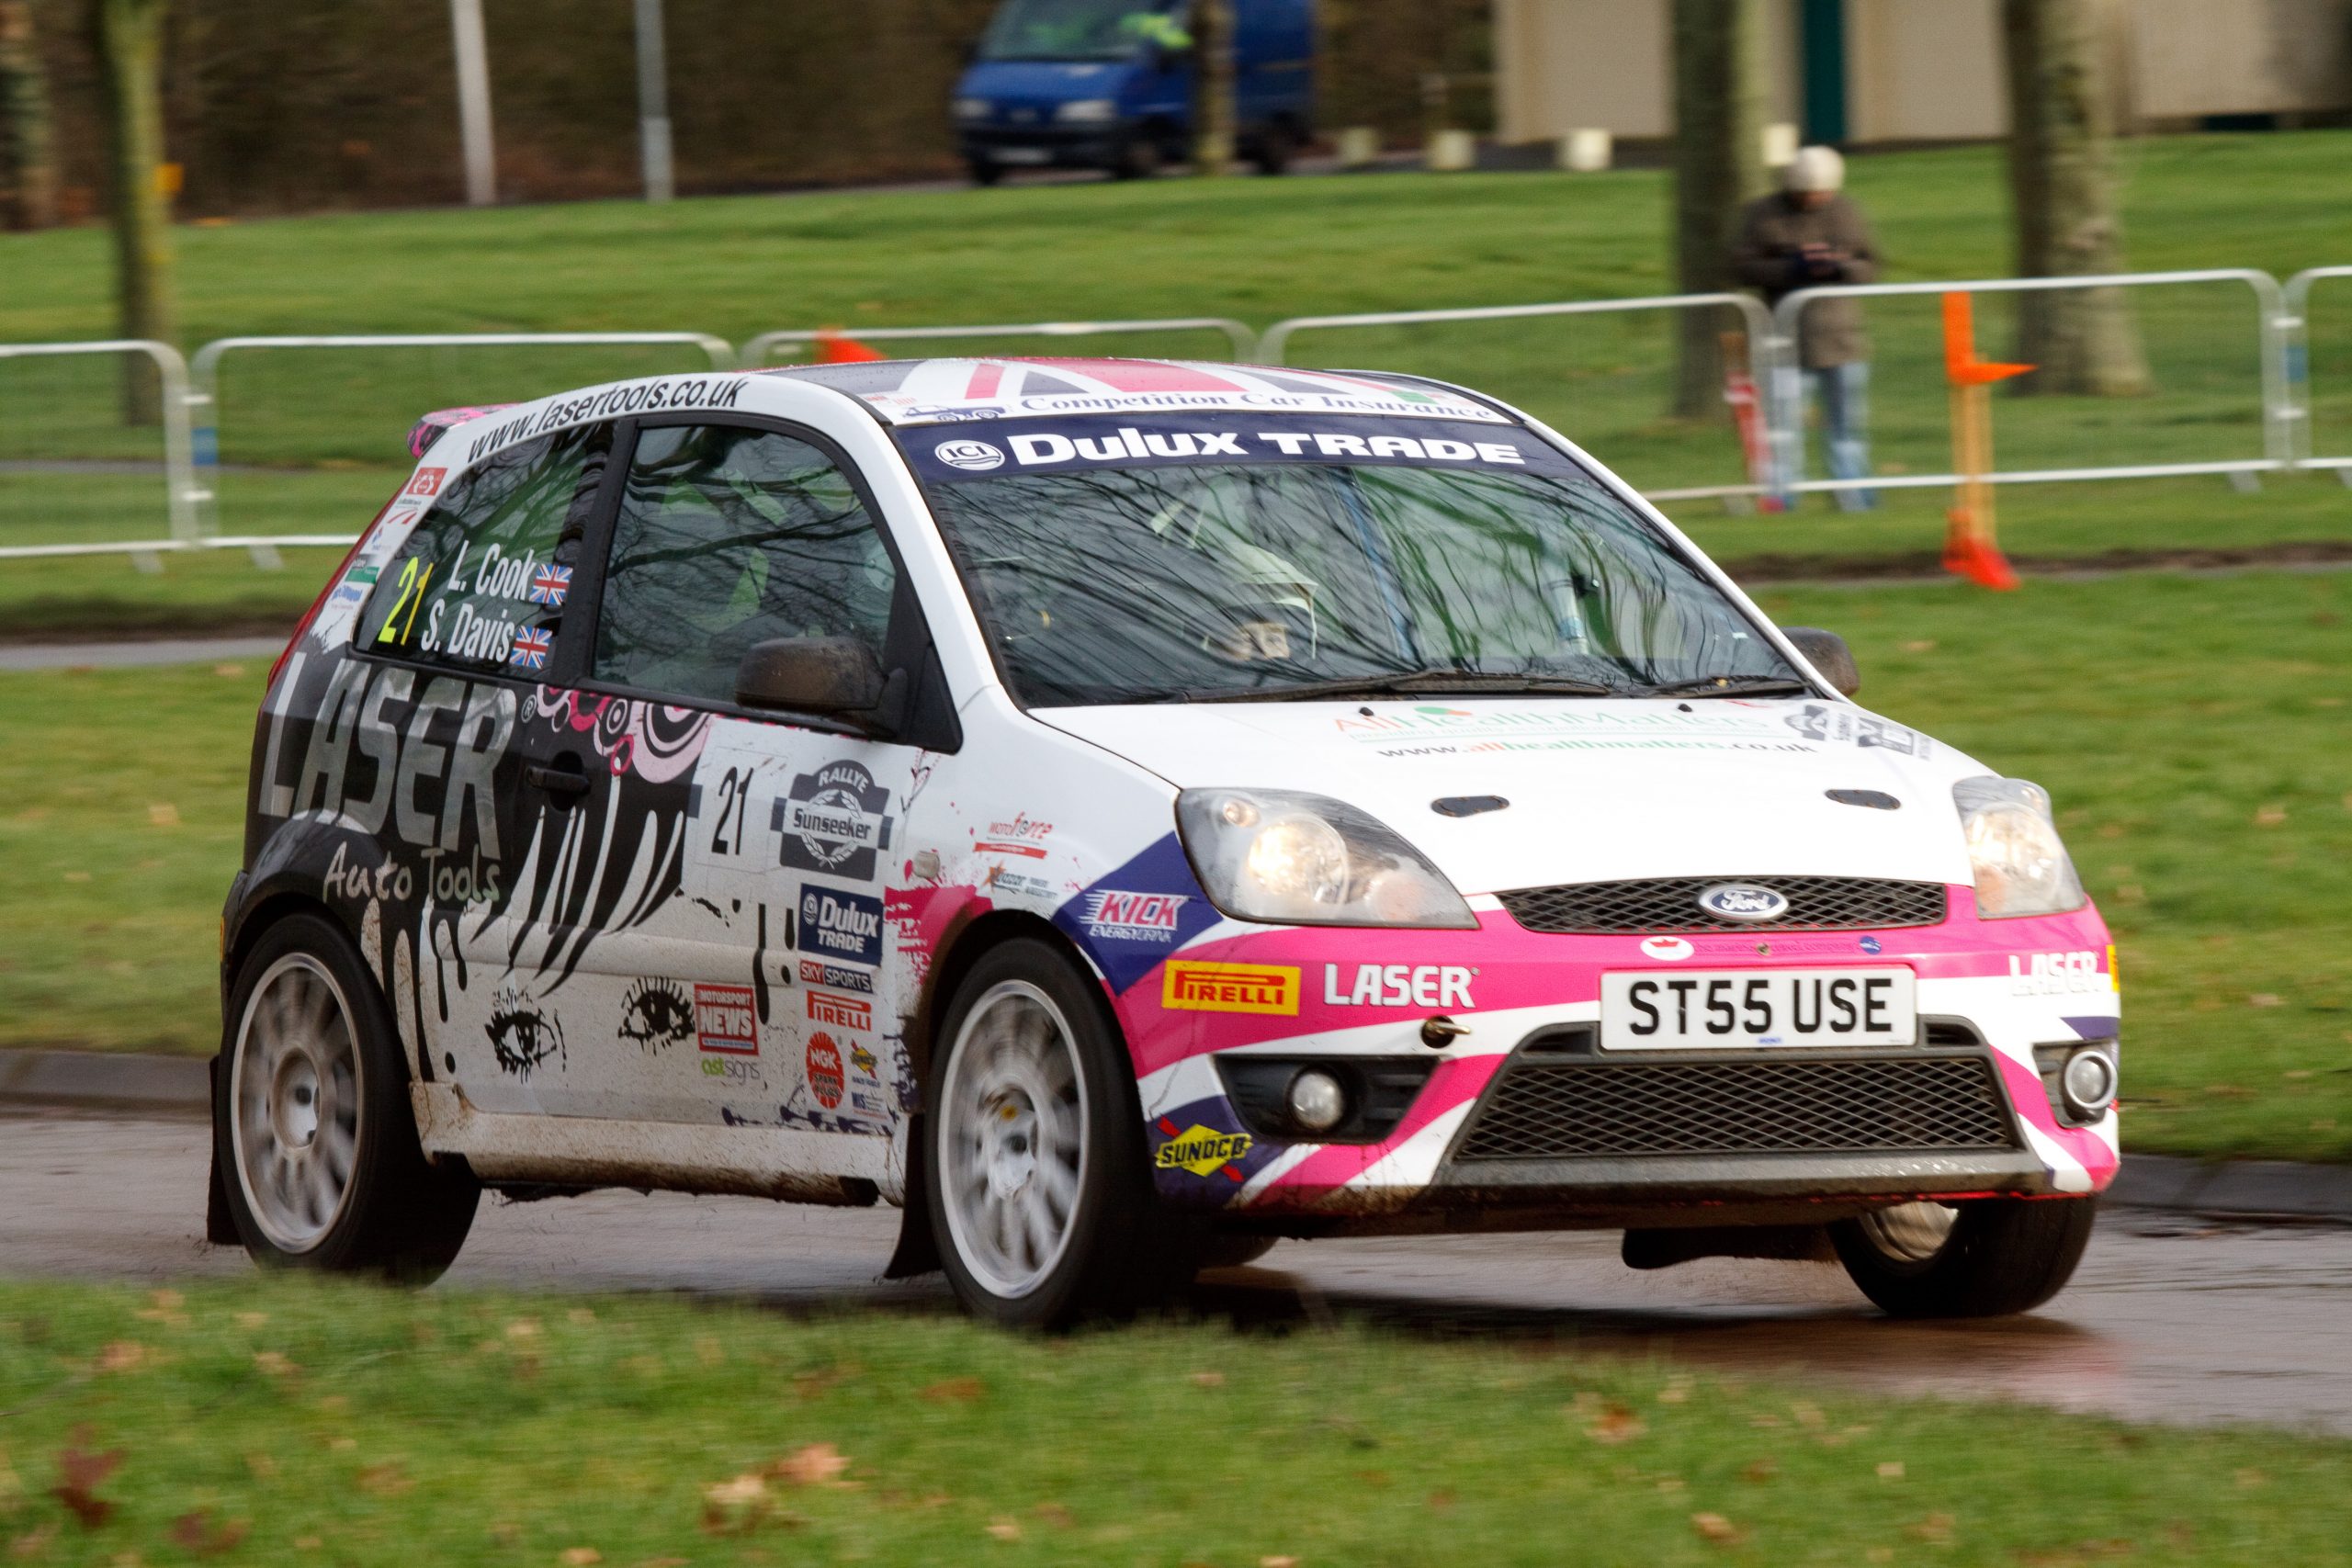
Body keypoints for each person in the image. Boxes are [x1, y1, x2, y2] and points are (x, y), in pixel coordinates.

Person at [1736, 145, 1880, 510]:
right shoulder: (1762, 215)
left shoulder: (1847, 212)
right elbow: (1741, 267)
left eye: (1822, 193)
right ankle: (1781, 500)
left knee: (1847, 431)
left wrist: (1841, 268)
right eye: (1807, 193)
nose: (1815, 199)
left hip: (1842, 342)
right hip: (1785, 343)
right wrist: (1791, 269)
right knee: (1783, 432)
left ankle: (1855, 500)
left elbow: (1871, 265)